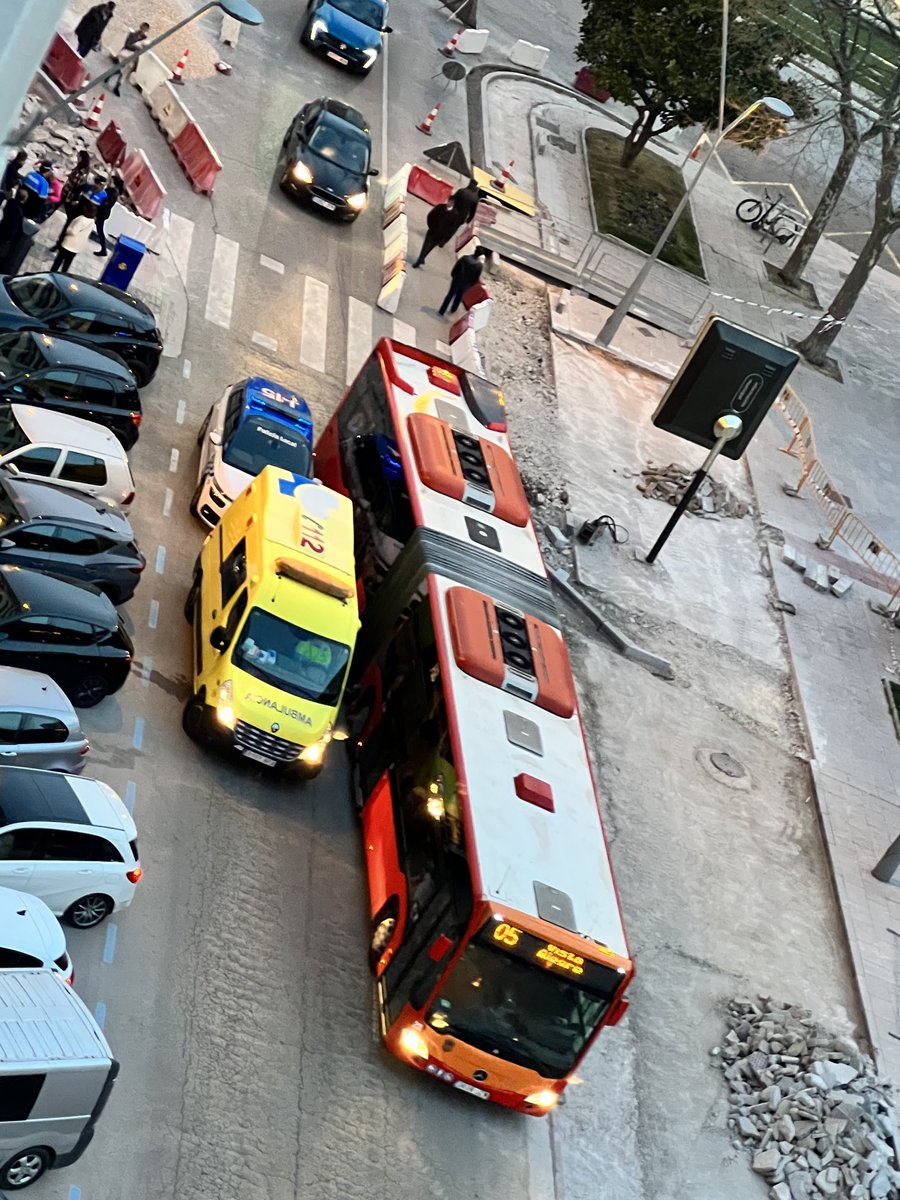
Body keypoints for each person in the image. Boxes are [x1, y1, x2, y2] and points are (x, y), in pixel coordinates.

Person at [439, 246, 490, 317]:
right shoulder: (479, 266)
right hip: (466, 284)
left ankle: (442, 310)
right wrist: (470, 285)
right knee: (459, 297)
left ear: (474, 251)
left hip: (457, 280)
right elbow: (476, 278)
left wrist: (453, 275)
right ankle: (453, 309)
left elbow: (456, 267)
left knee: (450, 295)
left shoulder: (465, 258)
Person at [411, 198, 463, 269]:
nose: (449, 203)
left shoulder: (455, 214)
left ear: (453, 204)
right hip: (432, 231)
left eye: (451, 202)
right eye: (449, 201)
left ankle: (422, 258)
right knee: (425, 247)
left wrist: (445, 237)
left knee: (429, 248)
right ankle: (418, 261)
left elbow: (452, 228)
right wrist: (431, 226)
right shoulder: (440, 207)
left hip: (440, 236)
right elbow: (430, 215)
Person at [50, 199, 96, 274]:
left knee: (58, 261)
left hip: (69, 244)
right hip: (77, 247)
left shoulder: (81, 219)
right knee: (67, 264)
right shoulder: (92, 222)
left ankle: (52, 273)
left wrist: (68, 230)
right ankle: (63, 275)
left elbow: (73, 231)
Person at [0, 189, 40, 276]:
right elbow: (14, 227)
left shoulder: (10, 203)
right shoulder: (19, 212)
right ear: (23, 200)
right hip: (7, 236)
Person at [107, 22, 149, 95]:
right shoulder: (132, 35)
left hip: (133, 57)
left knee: (124, 72)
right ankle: (110, 77)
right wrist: (136, 48)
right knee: (120, 70)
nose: (144, 30)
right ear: (141, 27)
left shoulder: (144, 39)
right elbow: (127, 45)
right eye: (143, 28)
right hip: (125, 54)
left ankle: (117, 86)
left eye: (145, 29)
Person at [93, 173, 122, 256]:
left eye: (111, 181)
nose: (109, 182)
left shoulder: (113, 192)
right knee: (99, 230)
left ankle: (103, 249)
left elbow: (106, 203)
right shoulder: (111, 190)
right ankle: (103, 249)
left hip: (102, 213)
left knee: (100, 230)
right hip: (102, 213)